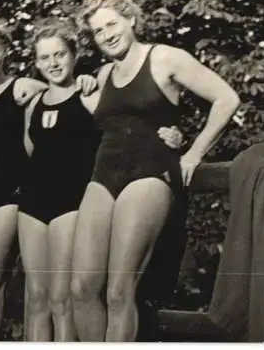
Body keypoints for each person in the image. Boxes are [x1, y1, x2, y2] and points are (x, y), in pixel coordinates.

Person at [70, 0, 241, 342]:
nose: (106, 34)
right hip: (104, 174)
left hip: (149, 173)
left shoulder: (165, 57)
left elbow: (227, 98)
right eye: (98, 30)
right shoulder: (104, 73)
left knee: (120, 290)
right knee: (82, 288)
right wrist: (86, 91)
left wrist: (193, 153)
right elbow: (111, 122)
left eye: (112, 24)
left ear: (131, 20)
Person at [17, 17, 183, 342]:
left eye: (59, 55)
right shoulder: (33, 103)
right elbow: (30, 150)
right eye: (44, 57)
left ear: (74, 54)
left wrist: (173, 135)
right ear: (35, 62)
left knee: (64, 299)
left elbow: (128, 129)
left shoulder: (92, 94)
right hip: (33, 203)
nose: (52, 63)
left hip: (74, 202)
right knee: (36, 298)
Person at [0, 16, 98, 341]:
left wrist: (86, 80)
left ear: (6, 52)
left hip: (7, 199)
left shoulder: (25, 89)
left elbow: (61, 92)